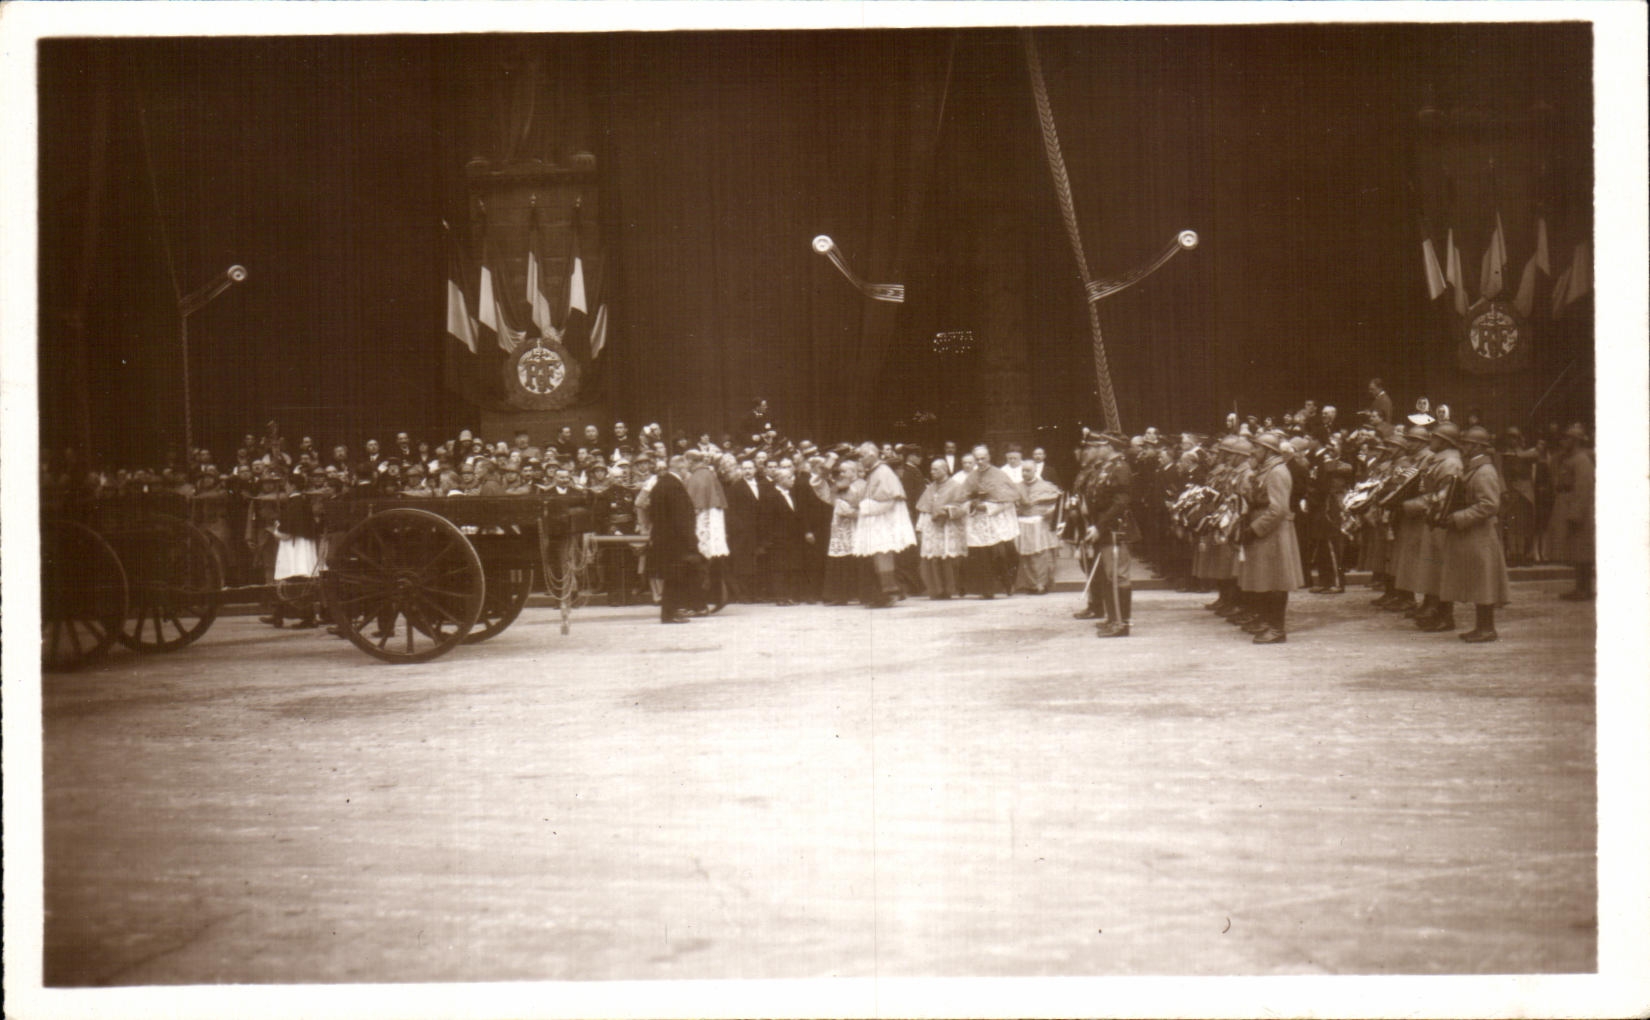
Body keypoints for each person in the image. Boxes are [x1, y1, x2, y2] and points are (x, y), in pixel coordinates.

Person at [1437, 426, 1513, 641]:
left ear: (1478, 447)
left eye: (1468, 444)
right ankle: (1483, 627)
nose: (1464, 447)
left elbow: (1489, 505)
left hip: (1480, 535)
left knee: (1484, 582)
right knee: (1480, 582)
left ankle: (1487, 628)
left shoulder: (1485, 471)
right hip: (1472, 534)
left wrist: (1459, 517)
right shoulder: (1476, 468)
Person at [1235, 430, 1304, 643]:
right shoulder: (1267, 470)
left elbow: (1278, 509)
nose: (1253, 452)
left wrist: (1254, 529)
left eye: (1257, 448)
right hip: (1266, 530)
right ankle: (1266, 621)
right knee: (1265, 578)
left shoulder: (1277, 472)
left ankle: (1276, 629)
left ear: (1268, 450)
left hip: (1273, 532)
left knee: (1276, 581)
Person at [1073, 433, 1139, 637]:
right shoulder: (1105, 468)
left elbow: (1120, 502)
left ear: (1109, 447)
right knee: (1109, 576)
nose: (1094, 450)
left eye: (1098, 446)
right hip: (1104, 528)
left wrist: (1100, 526)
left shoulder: (1120, 468)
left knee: (1118, 576)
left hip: (1114, 528)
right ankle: (1112, 618)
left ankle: (1121, 623)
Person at [1405, 421, 1466, 632]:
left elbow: (1444, 497)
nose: (1431, 440)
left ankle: (1445, 616)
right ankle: (1435, 610)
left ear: (1445, 441)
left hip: (1441, 521)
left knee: (1442, 569)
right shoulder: (1439, 460)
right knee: (1434, 569)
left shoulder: (1450, 463)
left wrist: (1413, 505)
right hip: (1433, 519)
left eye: (1435, 437)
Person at [853, 442, 917, 608]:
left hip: (884, 521)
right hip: (878, 520)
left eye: (862, 456)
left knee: (883, 554)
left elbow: (888, 500)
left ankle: (889, 593)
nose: (860, 459)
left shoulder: (882, 472)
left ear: (872, 455)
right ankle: (884, 593)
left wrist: (864, 507)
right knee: (879, 555)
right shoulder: (876, 471)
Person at [647, 455, 702, 624]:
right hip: (676, 541)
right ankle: (670, 613)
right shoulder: (675, 487)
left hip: (663, 538)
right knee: (675, 578)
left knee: (671, 577)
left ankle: (672, 611)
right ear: (681, 468)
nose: (687, 472)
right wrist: (691, 541)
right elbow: (682, 518)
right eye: (686, 469)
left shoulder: (660, 484)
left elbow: (652, 513)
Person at [962, 445, 1021, 599]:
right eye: (977, 459)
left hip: (996, 522)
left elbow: (1009, 500)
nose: (980, 462)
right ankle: (986, 589)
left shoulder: (999, 475)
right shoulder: (971, 477)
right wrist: (972, 504)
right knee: (981, 557)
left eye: (983, 458)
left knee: (1000, 554)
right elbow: (962, 498)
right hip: (978, 523)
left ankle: (1007, 584)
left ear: (989, 458)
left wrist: (988, 507)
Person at [1547, 423, 1595, 599]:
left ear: (1576, 441)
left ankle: (1584, 589)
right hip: (1567, 506)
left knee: (1582, 551)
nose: (1563, 441)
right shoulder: (1567, 458)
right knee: (1575, 550)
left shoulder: (1581, 460)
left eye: (1567, 438)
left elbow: (1583, 488)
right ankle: (1580, 588)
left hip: (1578, 510)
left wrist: (1576, 513)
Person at [915, 457, 967, 599]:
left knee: (949, 558)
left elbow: (963, 507)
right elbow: (924, 509)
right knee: (933, 558)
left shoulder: (956, 486)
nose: (932, 472)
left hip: (948, 527)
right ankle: (937, 590)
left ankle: (950, 589)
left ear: (945, 470)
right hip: (932, 527)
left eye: (936, 469)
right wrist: (920, 528)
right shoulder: (930, 488)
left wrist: (947, 511)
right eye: (931, 469)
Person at [759, 465, 810, 605]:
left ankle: (790, 595)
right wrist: (771, 539)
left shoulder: (792, 494)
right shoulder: (770, 496)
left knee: (791, 566)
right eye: (789, 478)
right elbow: (766, 520)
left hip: (793, 538)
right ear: (781, 480)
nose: (792, 480)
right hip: (779, 539)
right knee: (779, 568)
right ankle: (780, 597)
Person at [1013, 463, 1062, 594]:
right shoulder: (1016, 487)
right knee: (1026, 555)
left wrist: (1049, 512)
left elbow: (1058, 504)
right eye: (1023, 471)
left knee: (1040, 555)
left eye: (1028, 470)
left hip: (1040, 524)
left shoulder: (1046, 486)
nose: (1025, 473)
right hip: (1023, 523)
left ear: (1035, 471)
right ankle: (1031, 584)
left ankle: (1042, 584)